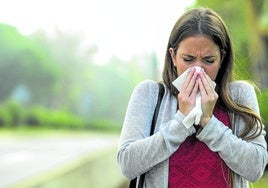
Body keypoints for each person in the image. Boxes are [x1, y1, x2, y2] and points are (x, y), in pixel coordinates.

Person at [117, 7, 268, 188]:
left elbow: (256, 168)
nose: (198, 70)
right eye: (188, 59)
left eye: (209, 60)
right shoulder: (149, 94)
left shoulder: (240, 94)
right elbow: (127, 164)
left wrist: (209, 122)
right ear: (173, 56)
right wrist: (181, 122)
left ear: (222, 57)